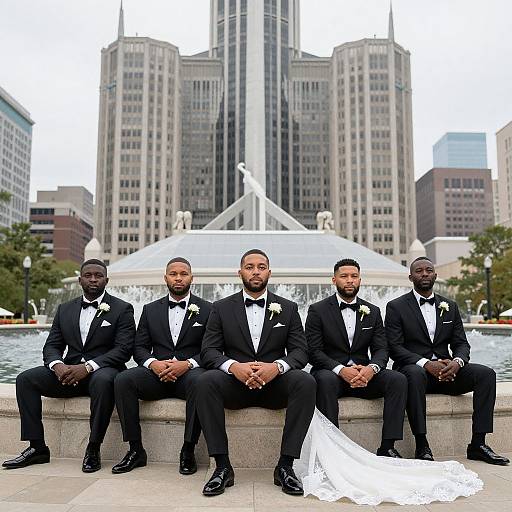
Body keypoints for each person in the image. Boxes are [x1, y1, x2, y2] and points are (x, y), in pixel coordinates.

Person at [196, 249, 316, 496]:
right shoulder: (220, 308)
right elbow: (208, 351)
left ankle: (285, 466)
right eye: (249, 267)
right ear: (240, 272)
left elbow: (300, 352)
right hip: (235, 386)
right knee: (205, 380)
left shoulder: (289, 308)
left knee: (305, 381)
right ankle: (222, 467)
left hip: (274, 387)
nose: (255, 272)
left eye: (261, 267)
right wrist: (233, 367)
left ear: (269, 273)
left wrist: (277, 367)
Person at [2, 259, 135, 472]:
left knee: (103, 381)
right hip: (69, 373)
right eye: (88, 275)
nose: (93, 279)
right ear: (80, 280)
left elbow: (123, 350)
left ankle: (93, 448)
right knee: (25, 379)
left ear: (106, 280)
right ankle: (37, 447)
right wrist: (58, 366)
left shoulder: (122, 309)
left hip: (102, 371)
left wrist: (88, 367)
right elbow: (52, 345)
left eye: (98, 276)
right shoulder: (65, 309)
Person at [385, 256, 509, 465]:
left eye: (428, 270)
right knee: (414, 375)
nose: (424, 274)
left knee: (487, 374)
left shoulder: (449, 305)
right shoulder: (396, 307)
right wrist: (426, 364)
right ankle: (422, 444)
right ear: (410, 277)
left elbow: (461, 343)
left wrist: (457, 362)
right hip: (416, 372)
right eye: (419, 271)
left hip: (447, 371)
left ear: (435, 274)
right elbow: (395, 348)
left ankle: (478, 444)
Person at [112, 257, 211, 475]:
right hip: (156, 375)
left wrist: (187, 364)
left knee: (203, 381)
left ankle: (188, 450)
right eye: (173, 274)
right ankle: (135, 449)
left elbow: (211, 349)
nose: (178, 278)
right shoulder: (149, 309)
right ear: (165, 278)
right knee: (123, 380)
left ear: (191, 278)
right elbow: (139, 347)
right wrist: (153, 363)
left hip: (189, 375)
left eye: (183, 274)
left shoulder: (208, 309)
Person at [306, 258, 407, 458]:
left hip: (364, 374)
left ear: (360, 280)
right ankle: (332, 446)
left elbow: (381, 349)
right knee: (323, 379)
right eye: (344, 276)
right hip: (332, 374)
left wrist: (372, 369)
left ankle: (388, 445)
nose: (349, 280)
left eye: (354, 276)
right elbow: (313, 351)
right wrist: (341, 370)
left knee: (398, 379)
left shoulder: (373, 311)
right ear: (334, 280)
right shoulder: (317, 311)